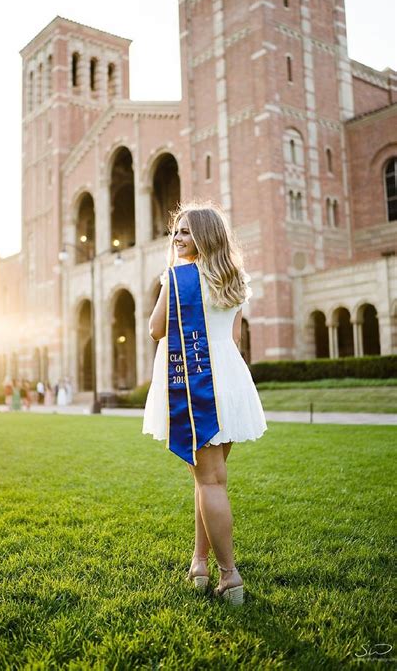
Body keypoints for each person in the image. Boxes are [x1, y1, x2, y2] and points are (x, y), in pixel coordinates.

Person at [142, 202, 267, 606]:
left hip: (201, 385)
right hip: (231, 381)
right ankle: (199, 562)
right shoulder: (235, 279)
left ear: (205, 236)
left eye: (186, 232)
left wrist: (166, 285)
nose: (177, 238)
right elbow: (233, 337)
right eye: (175, 232)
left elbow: (156, 329)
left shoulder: (178, 278)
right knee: (210, 479)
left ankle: (229, 576)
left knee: (209, 480)